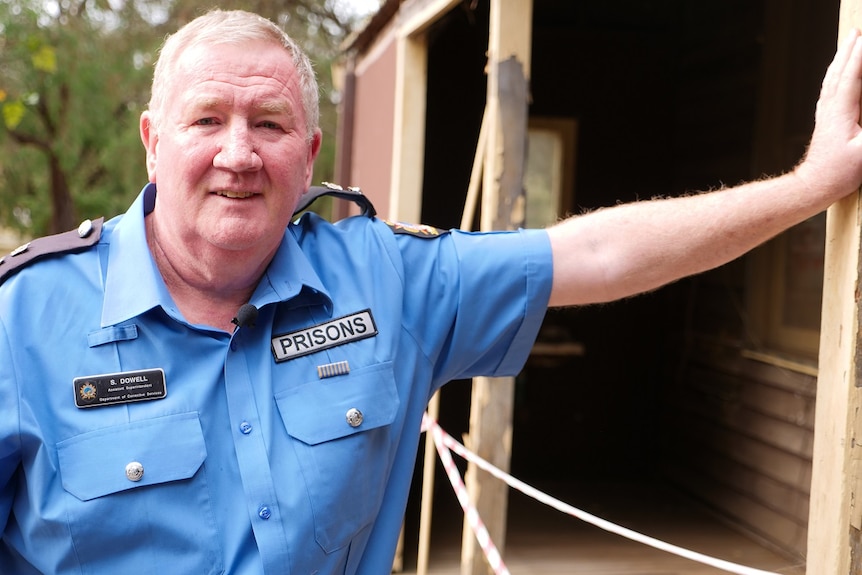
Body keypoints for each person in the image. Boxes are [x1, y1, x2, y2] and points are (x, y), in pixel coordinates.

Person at [1, 8, 861, 574]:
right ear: (154, 142)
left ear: (309, 154)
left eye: (268, 124)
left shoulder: (385, 281)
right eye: (206, 120)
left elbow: (598, 252)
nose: (238, 153)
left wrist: (812, 182)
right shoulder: (22, 320)